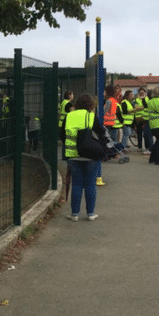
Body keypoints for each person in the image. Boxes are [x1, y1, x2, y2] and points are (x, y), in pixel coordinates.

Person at [64, 93, 106, 221]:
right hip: (90, 155)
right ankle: (91, 213)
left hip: (72, 155)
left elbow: (62, 134)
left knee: (76, 184)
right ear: (90, 105)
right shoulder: (91, 116)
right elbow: (100, 133)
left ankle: (74, 214)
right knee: (90, 184)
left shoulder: (69, 116)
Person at [133, 88, 153, 154]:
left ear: (145, 92)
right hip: (138, 118)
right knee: (139, 134)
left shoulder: (148, 99)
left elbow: (148, 106)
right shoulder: (136, 99)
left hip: (146, 118)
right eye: (140, 92)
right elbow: (135, 108)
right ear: (139, 93)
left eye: (143, 92)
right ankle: (140, 147)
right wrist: (142, 107)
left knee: (146, 134)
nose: (142, 93)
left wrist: (141, 107)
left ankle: (147, 147)